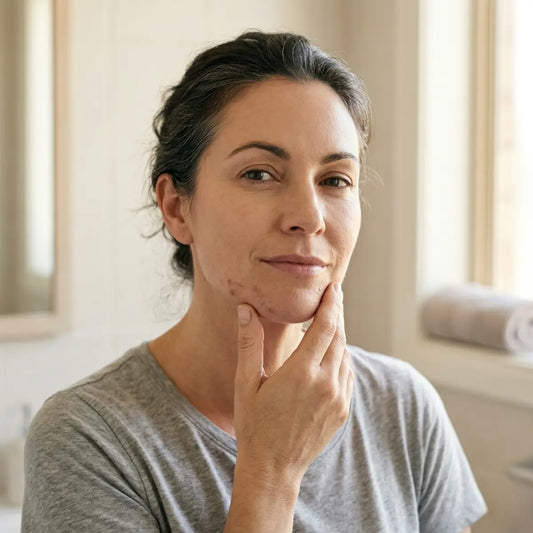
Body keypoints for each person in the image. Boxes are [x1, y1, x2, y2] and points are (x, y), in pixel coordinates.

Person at [22, 31, 487, 532]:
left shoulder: (403, 404)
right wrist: (271, 471)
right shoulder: (89, 438)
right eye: (260, 174)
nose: (309, 217)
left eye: (335, 180)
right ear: (177, 208)